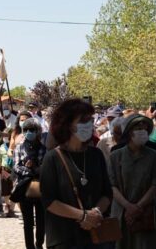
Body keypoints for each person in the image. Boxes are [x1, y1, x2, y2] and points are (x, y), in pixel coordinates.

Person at [40, 98, 113, 249]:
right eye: (83, 120)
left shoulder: (96, 154)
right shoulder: (52, 158)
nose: (89, 124)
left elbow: (107, 192)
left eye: (90, 119)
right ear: (68, 125)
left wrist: (96, 212)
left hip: (96, 236)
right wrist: (82, 216)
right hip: (64, 238)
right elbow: (49, 201)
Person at [109, 115, 156, 249]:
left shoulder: (154, 155)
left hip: (146, 214)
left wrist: (138, 207)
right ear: (129, 132)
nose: (142, 131)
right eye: (138, 128)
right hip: (121, 214)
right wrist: (128, 206)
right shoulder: (116, 155)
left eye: (144, 128)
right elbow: (112, 185)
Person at [13, 118, 47, 249]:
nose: (28, 132)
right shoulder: (19, 148)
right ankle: (29, 246)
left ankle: (39, 244)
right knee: (28, 222)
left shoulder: (43, 148)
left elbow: (45, 168)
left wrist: (34, 168)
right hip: (24, 187)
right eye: (25, 130)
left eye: (31, 130)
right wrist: (28, 170)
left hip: (40, 187)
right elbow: (16, 167)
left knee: (41, 220)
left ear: (37, 131)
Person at [0, 126, 17, 218]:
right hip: (4, 170)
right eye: (3, 135)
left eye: (6, 135)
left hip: (14, 170)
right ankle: (7, 205)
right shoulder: (1, 146)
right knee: (5, 190)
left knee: (14, 190)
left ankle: (12, 209)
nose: (4, 137)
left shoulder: (15, 146)